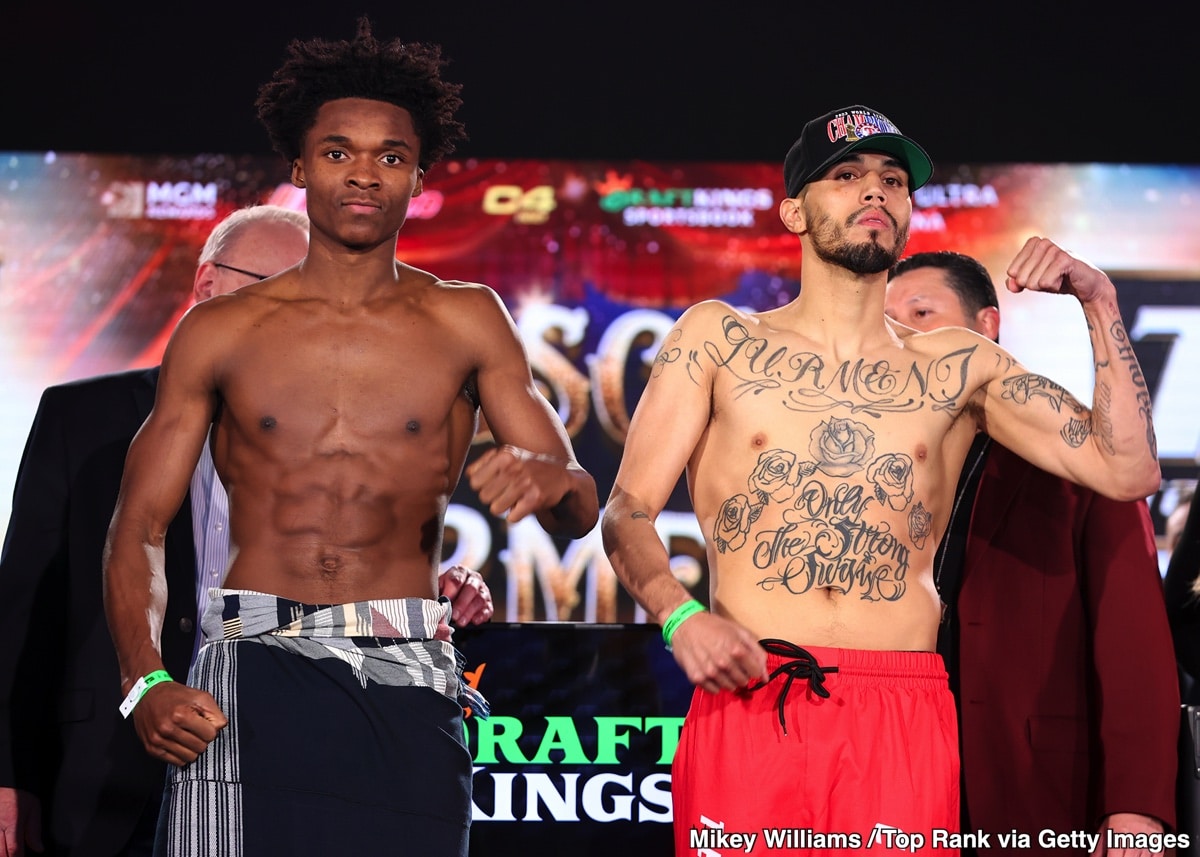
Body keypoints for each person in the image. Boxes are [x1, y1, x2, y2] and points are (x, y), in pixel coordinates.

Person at [601, 104, 1161, 854]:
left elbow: (1126, 469)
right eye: (848, 175)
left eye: (893, 180)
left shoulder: (960, 364)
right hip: (752, 696)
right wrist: (678, 616)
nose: (875, 191)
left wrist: (1100, 302)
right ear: (794, 211)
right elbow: (628, 509)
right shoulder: (717, 339)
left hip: (903, 709)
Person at [103, 19, 598, 857]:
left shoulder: (468, 318)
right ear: (299, 167)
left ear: (417, 174)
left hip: (405, 672)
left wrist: (556, 483)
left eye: (390, 155)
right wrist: (142, 679)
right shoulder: (220, 331)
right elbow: (138, 526)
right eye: (338, 152)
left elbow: (579, 504)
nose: (363, 173)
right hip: (247, 674)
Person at [0, 203, 495, 857]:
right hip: (109, 769)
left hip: (274, 756)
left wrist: (439, 587)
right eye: (267, 286)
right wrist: (11, 775)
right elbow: (22, 607)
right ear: (205, 286)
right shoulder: (81, 416)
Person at [886, 250, 1178, 854]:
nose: (903, 337)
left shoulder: (1082, 453)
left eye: (921, 312)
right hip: (896, 784)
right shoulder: (866, 470)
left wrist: (1138, 810)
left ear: (987, 326)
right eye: (886, 323)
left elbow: (1135, 642)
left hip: (1037, 792)